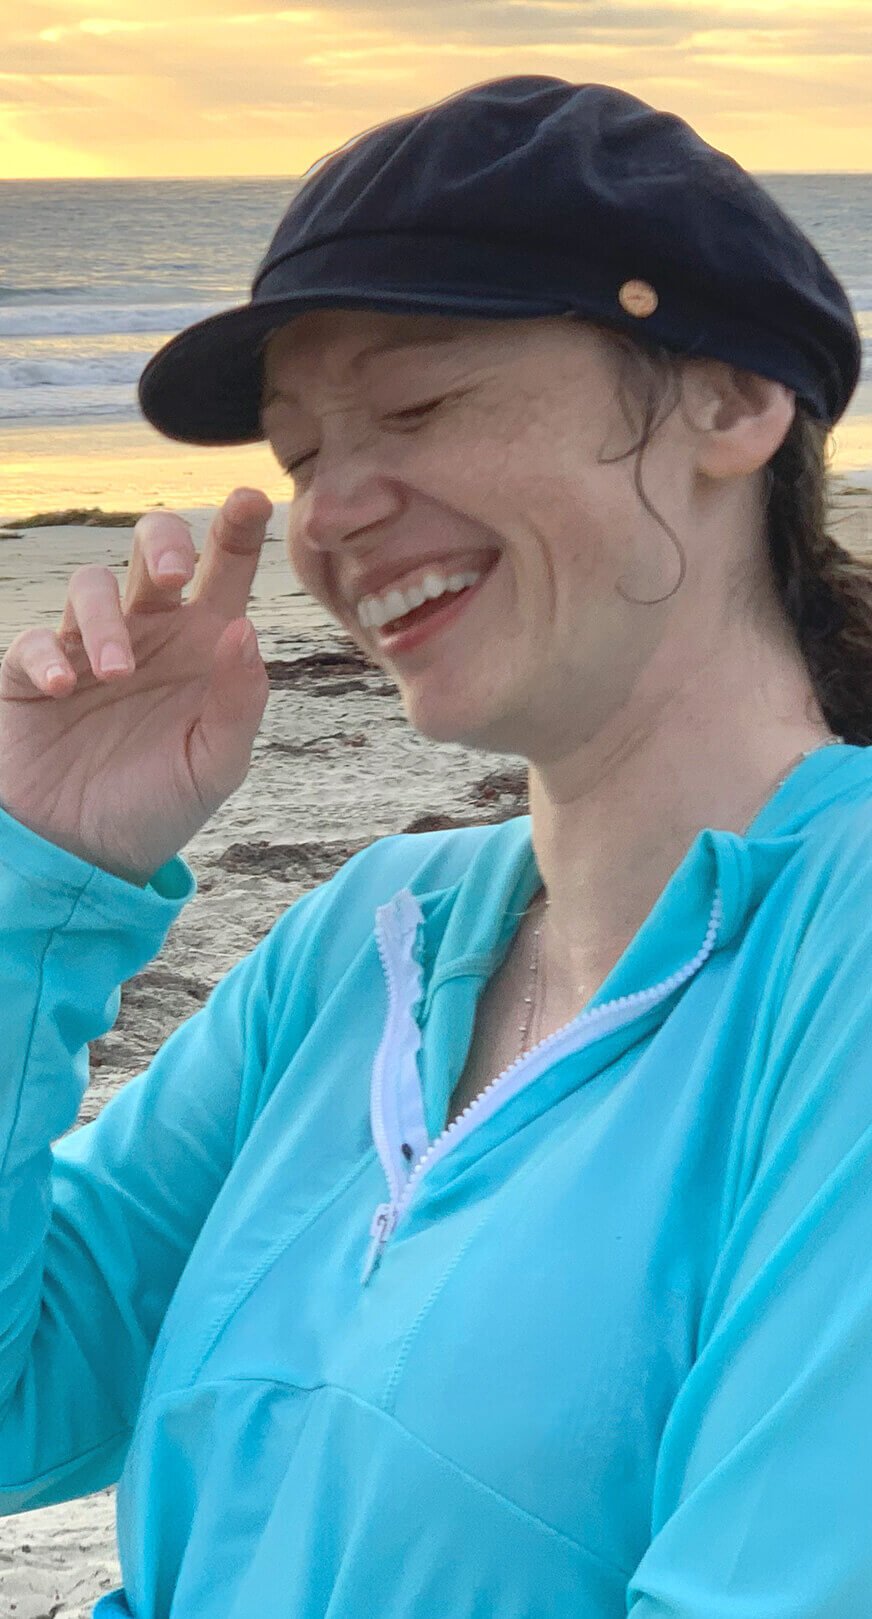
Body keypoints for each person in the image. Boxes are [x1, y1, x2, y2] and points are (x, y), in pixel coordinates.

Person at [0, 73, 870, 1619]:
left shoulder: (838, 945)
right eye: (300, 455)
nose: (333, 513)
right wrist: (39, 881)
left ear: (734, 401)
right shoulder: (372, 934)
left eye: (417, 406)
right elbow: (26, 1400)